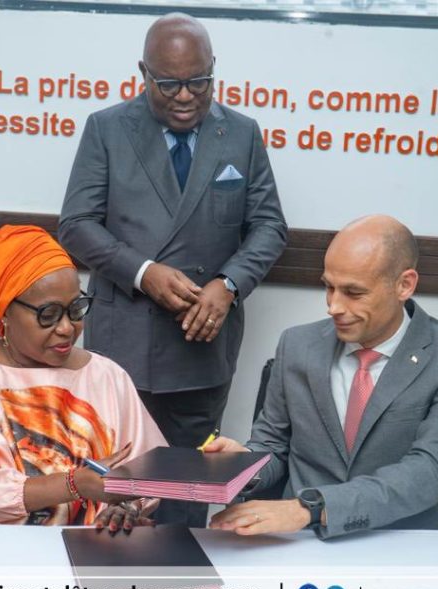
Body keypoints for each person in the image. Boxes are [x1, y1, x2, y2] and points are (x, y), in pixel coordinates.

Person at [58, 13, 287, 528]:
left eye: (199, 82)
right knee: (116, 486)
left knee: (188, 490)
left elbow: (270, 226)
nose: (186, 96)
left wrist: (228, 284)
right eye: (169, 85)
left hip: (202, 344)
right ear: (143, 73)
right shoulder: (107, 128)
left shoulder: (242, 133)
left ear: (214, 68)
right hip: (123, 344)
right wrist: (143, 272)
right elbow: (75, 224)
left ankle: (181, 575)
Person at [207, 215, 438, 538]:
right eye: (329, 287)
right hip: (302, 540)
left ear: (404, 285)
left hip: (401, 539)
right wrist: (245, 465)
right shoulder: (297, 345)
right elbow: (272, 445)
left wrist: (312, 507)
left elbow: (428, 472)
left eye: (354, 293)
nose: (334, 307)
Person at [0, 225, 166, 530]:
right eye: (48, 314)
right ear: (5, 312)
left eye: (76, 309)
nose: (67, 328)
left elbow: (148, 469)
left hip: (89, 545)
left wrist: (128, 505)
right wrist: (73, 484)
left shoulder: (106, 375)